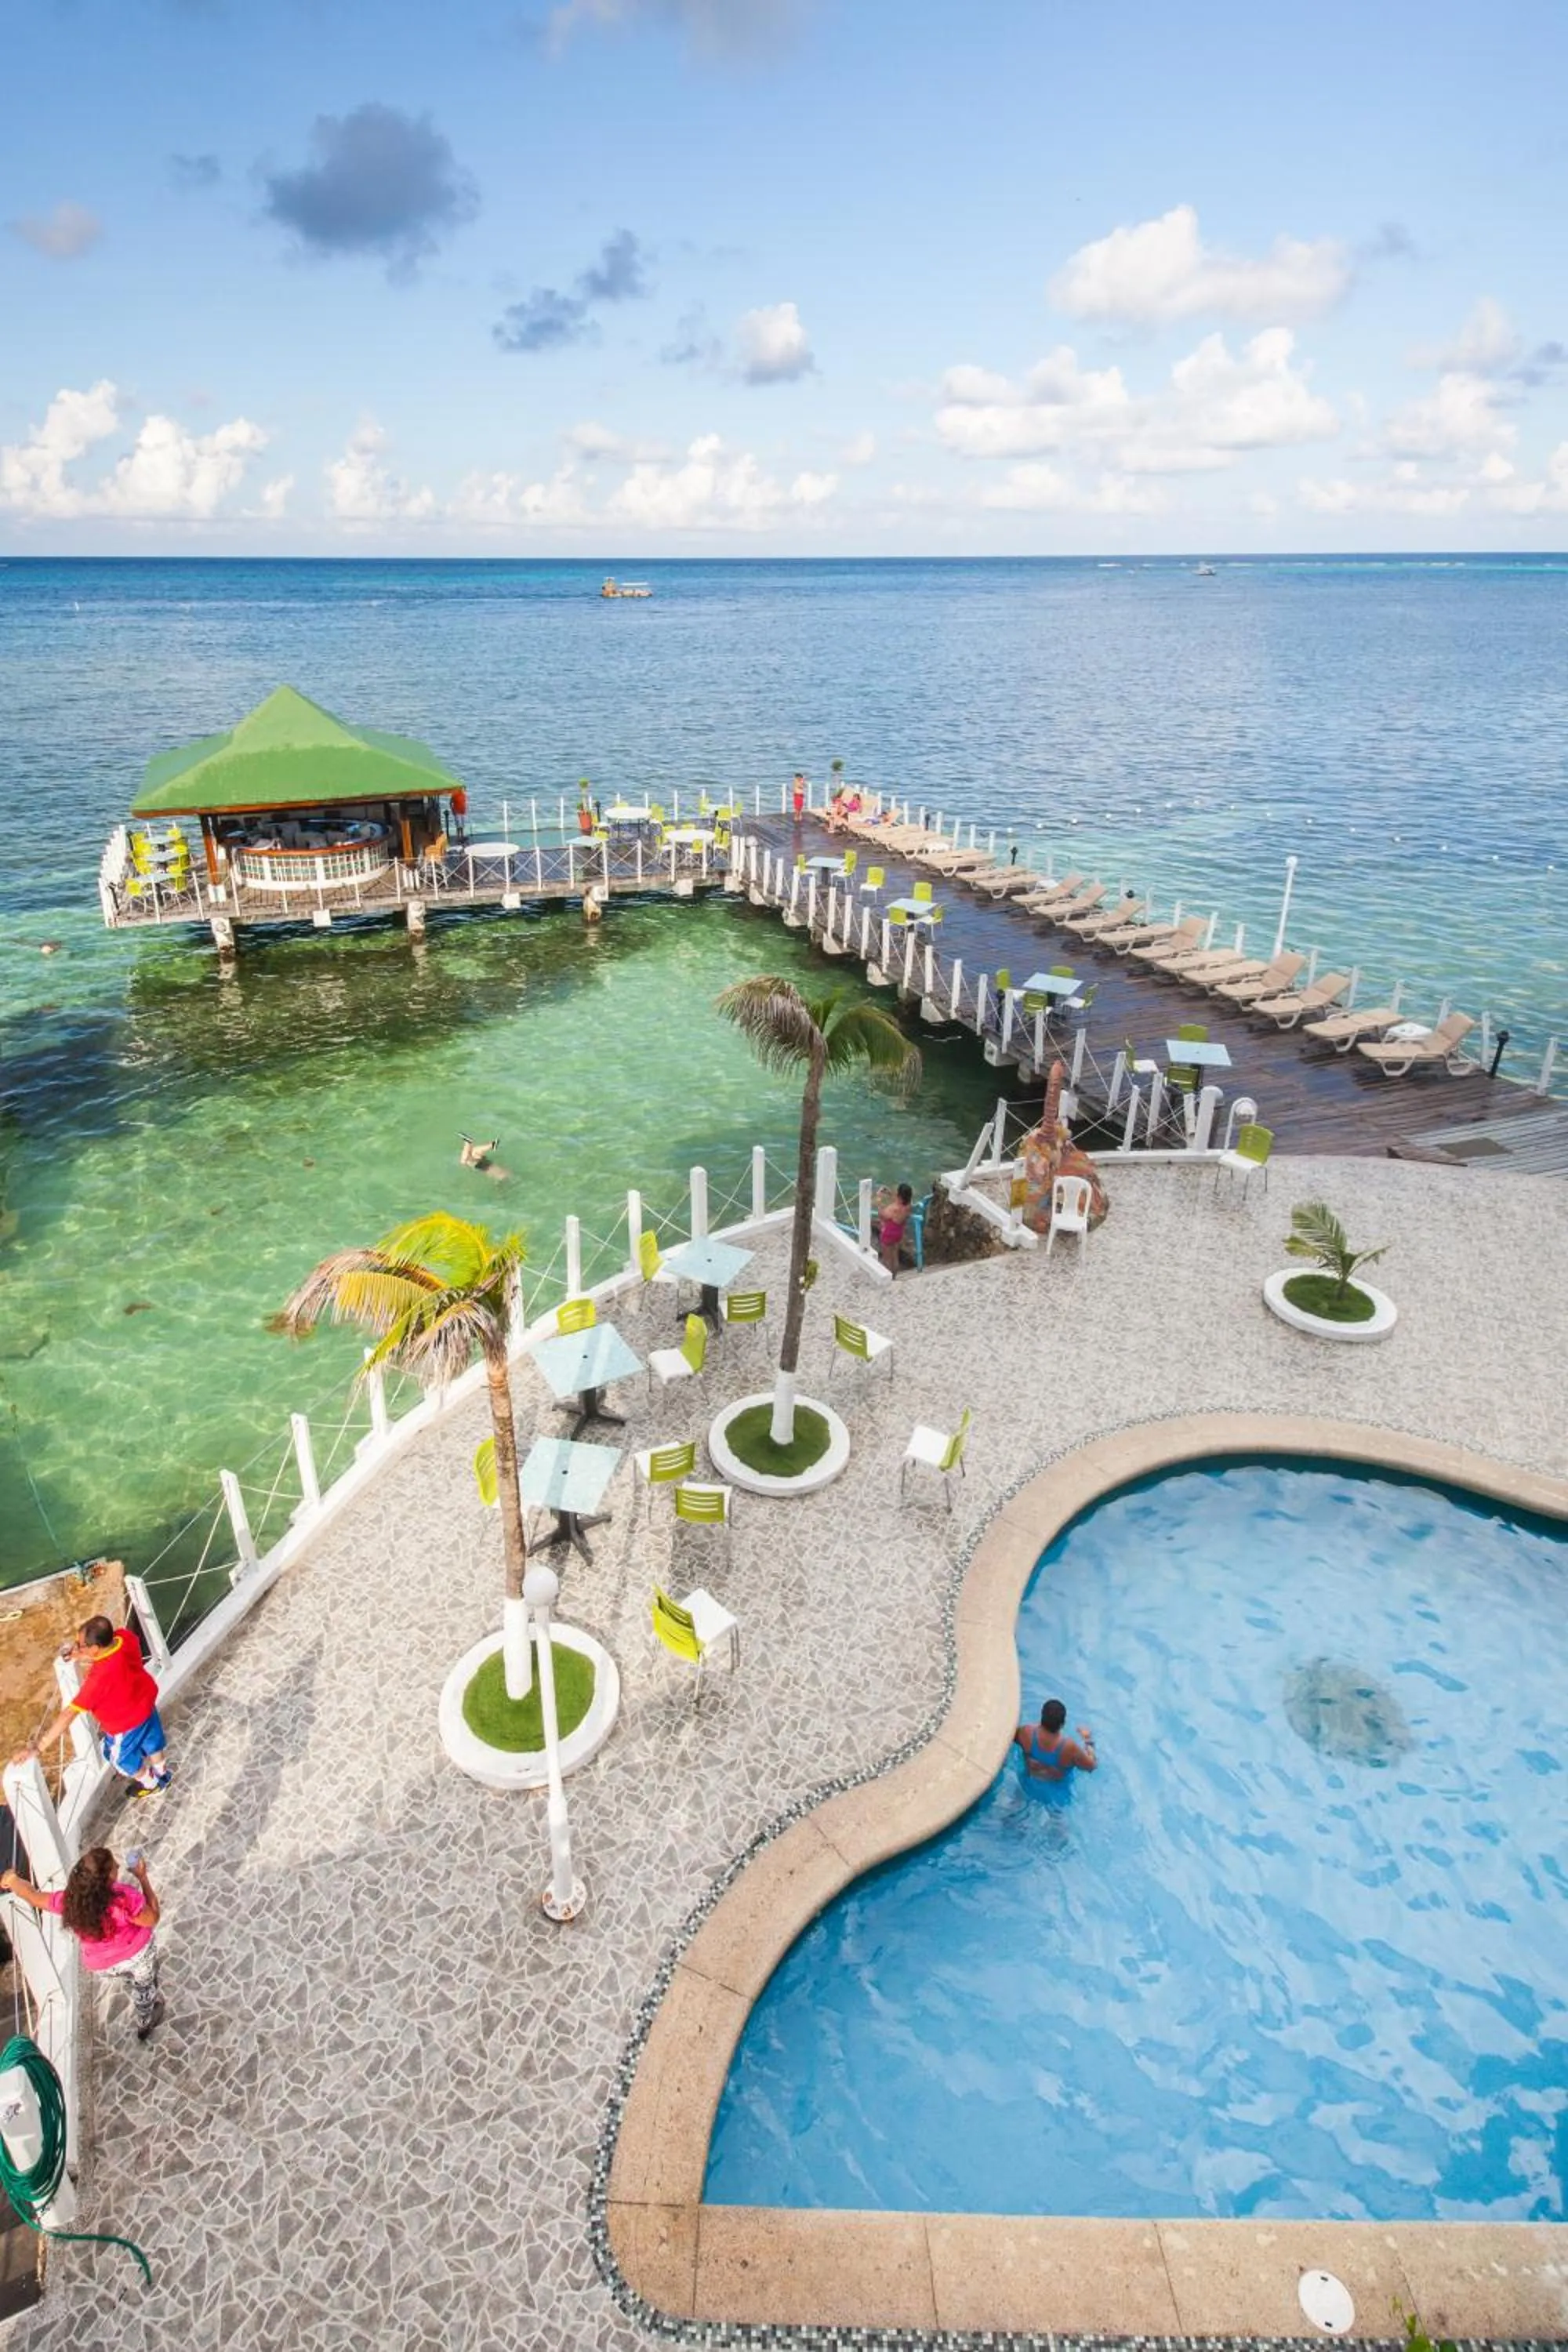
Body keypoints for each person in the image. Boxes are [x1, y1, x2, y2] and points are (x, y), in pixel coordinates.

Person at [2, 1848, 165, 2042]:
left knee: (130, 1974)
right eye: (114, 1867)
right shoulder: (123, 1899)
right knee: (145, 1985)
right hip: (137, 1955)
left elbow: (33, 1896)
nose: (118, 1866)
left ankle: (132, 1979)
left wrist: (12, 1881)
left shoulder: (69, 1902)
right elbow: (152, 1918)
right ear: (105, 1880)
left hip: (103, 1966)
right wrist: (143, 1878)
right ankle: (145, 2020)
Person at [13, 1607, 171, 1795]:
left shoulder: (99, 1677)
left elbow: (68, 1714)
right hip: (145, 1703)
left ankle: (151, 1784)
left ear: (95, 1648)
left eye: (81, 1645)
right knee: (153, 1741)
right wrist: (83, 1655)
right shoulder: (124, 1638)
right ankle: (163, 1774)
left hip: (127, 1722)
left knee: (120, 1759)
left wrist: (39, 1748)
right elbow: (114, 1653)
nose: (78, 1648)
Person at [1014, 1698, 1096, 1783]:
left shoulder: (1026, 1733)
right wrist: (1088, 1739)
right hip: (1058, 1790)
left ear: (1042, 1717)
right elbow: (1091, 1766)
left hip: (1026, 1783)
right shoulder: (1069, 1748)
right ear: (1063, 1724)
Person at [877, 1181, 916, 1276]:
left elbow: (882, 1215)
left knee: (887, 1258)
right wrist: (889, 1194)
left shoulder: (894, 1209)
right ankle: (895, 1275)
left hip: (888, 1234)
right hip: (898, 1233)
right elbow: (900, 1201)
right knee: (895, 1256)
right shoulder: (909, 1206)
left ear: (899, 1195)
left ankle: (889, 1276)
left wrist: (879, 1199)